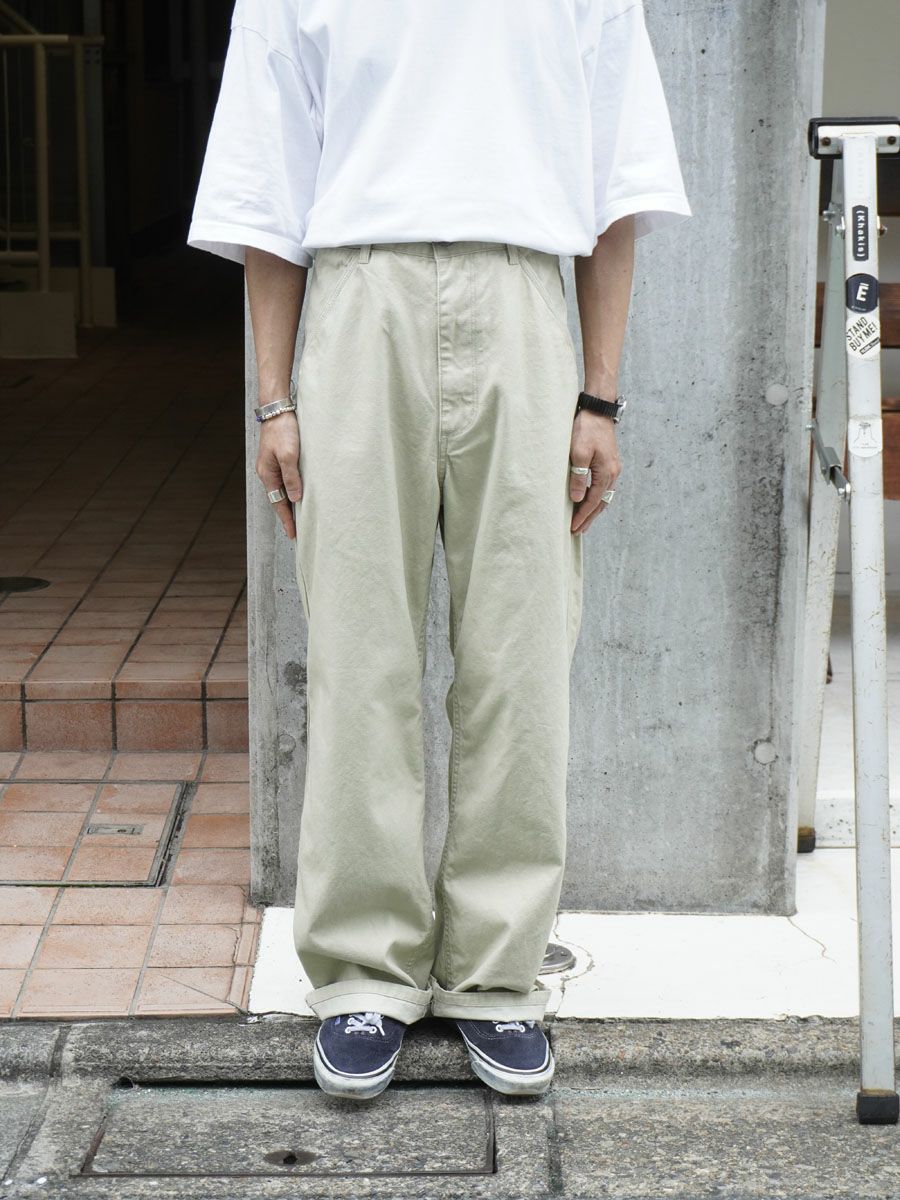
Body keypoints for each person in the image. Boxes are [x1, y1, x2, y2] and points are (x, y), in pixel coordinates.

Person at [188, 0, 691, 1100]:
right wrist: (275, 400)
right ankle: (363, 970)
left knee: (520, 658)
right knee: (359, 655)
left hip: (524, 297)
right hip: (357, 296)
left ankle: (496, 974)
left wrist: (600, 395)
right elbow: (268, 192)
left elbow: (615, 191)